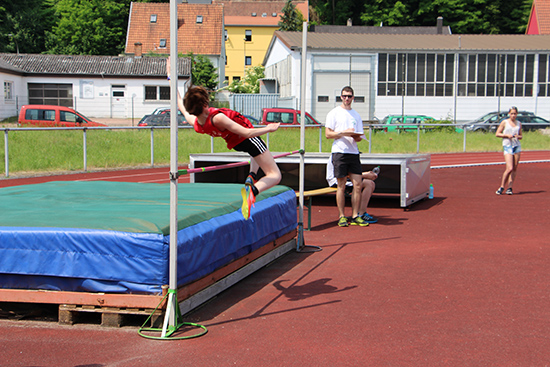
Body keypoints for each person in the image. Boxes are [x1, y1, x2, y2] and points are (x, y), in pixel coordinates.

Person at [168, 60, 281, 219]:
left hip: (237, 144)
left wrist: (170, 79)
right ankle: (252, 193)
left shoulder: (197, 124)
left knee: (255, 154)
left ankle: (252, 176)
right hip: (247, 139)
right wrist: (269, 128)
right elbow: (247, 133)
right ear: (206, 103)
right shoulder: (218, 118)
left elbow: (179, 104)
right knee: (275, 175)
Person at [325, 86, 369, 227]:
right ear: (341, 97)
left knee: (357, 184)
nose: (347, 99)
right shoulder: (334, 113)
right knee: (341, 185)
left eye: (349, 96)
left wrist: (356, 136)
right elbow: (328, 134)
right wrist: (343, 133)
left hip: (353, 153)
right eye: (344, 96)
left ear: (353, 98)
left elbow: (359, 137)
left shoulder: (356, 115)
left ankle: (356, 215)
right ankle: (342, 216)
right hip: (340, 152)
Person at [326, 157, 379, 223]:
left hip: (345, 178)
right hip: (335, 180)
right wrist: (365, 175)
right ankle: (359, 214)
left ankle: (360, 213)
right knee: (369, 184)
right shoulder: (339, 156)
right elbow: (342, 175)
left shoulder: (351, 156)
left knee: (369, 183)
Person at [495, 106, 522, 195]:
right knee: (509, 168)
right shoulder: (505, 122)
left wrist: (518, 136)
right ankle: (502, 186)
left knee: (514, 167)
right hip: (508, 146)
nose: (513, 115)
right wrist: (507, 135)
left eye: (515, 113)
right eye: (512, 113)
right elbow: (497, 134)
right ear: (509, 114)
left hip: (516, 146)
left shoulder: (519, 123)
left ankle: (510, 187)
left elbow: (521, 136)